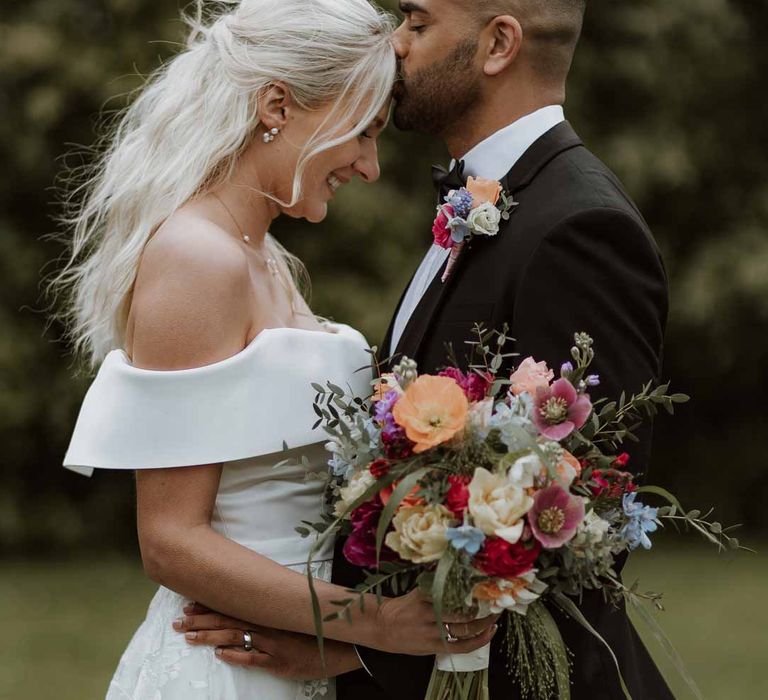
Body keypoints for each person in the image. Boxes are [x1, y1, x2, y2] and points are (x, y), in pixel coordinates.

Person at [186, 1, 675, 698]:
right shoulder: (486, 200)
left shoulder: (579, 226)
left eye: (416, 23)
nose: (395, 44)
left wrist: (358, 653)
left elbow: (579, 531)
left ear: (498, 44)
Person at [59, 1, 497, 698]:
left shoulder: (267, 258)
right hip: (226, 670)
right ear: (276, 105)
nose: (369, 166)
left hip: (297, 655)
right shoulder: (195, 257)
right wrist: (379, 623)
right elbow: (171, 539)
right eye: (363, 132)